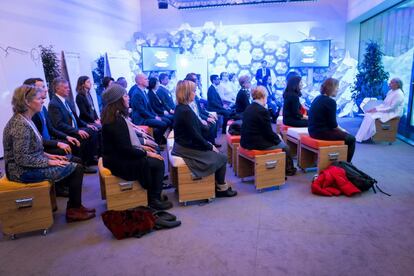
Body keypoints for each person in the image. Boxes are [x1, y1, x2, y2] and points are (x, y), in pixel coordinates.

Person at [3, 85, 95, 222]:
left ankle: (76, 206)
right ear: (27, 102)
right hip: (21, 171)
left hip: (30, 164)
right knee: (76, 169)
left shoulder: (26, 119)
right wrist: (49, 162)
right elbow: (21, 158)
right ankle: (73, 210)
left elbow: (33, 149)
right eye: (39, 98)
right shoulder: (19, 125)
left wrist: (49, 156)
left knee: (75, 160)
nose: (43, 101)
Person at [101, 84, 172, 210]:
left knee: (154, 154)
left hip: (116, 157)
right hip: (118, 161)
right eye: (125, 95)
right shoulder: (116, 121)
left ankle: (154, 191)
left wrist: (144, 149)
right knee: (158, 162)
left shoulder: (115, 116)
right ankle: (154, 199)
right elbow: (126, 149)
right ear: (118, 100)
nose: (128, 98)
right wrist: (146, 153)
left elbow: (125, 145)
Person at [172, 80, 237, 197]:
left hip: (184, 144)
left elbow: (195, 130)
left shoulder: (182, 108)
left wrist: (207, 142)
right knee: (222, 158)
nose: (195, 94)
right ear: (187, 93)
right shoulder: (185, 110)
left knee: (217, 153)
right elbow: (195, 136)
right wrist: (209, 146)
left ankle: (217, 183)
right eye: (193, 91)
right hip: (185, 147)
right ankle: (221, 188)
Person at [240, 86, 296, 176]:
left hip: (246, 141)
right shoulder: (262, 111)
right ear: (263, 97)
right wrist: (278, 139)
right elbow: (268, 133)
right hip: (256, 143)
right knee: (285, 148)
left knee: (278, 140)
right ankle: (289, 171)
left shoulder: (249, 107)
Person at [48, 77, 99, 173]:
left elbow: (76, 118)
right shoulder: (54, 104)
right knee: (82, 135)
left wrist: (86, 125)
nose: (69, 89)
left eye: (68, 87)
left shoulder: (66, 101)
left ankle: (89, 159)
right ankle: (82, 165)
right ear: (57, 89)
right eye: (65, 88)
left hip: (73, 129)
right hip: (65, 133)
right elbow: (58, 124)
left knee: (93, 130)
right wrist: (76, 131)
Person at [308, 78, 356, 162]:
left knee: (343, 134)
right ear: (331, 88)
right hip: (321, 133)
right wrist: (344, 130)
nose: (338, 90)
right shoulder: (331, 102)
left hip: (312, 131)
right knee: (351, 139)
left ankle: (341, 159)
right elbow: (333, 125)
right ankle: (347, 165)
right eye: (337, 88)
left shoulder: (317, 98)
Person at [355, 78, 405, 142]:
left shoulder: (399, 94)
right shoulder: (390, 91)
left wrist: (378, 110)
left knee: (371, 117)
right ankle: (363, 137)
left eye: (392, 83)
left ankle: (368, 136)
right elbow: (384, 103)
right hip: (386, 110)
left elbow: (392, 108)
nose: (389, 84)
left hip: (393, 112)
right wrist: (375, 108)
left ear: (397, 85)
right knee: (368, 115)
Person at [129, 74, 169, 144]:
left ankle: (157, 140)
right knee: (163, 124)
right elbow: (142, 111)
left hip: (146, 117)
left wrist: (156, 116)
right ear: (140, 81)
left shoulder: (143, 91)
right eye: (146, 79)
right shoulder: (137, 94)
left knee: (166, 121)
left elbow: (149, 108)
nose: (148, 80)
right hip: (141, 119)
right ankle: (156, 142)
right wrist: (154, 117)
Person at [185, 73, 220, 147]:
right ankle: (207, 143)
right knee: (211, 123)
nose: (198, 81)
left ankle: (211, 142)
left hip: (198, 116)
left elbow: (199, 110)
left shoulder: (194, 94)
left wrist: (208, 115)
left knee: (213, 119)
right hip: (195, 120)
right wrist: (202, 120)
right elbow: (193, 114)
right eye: (196, 80)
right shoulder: (187, 96)